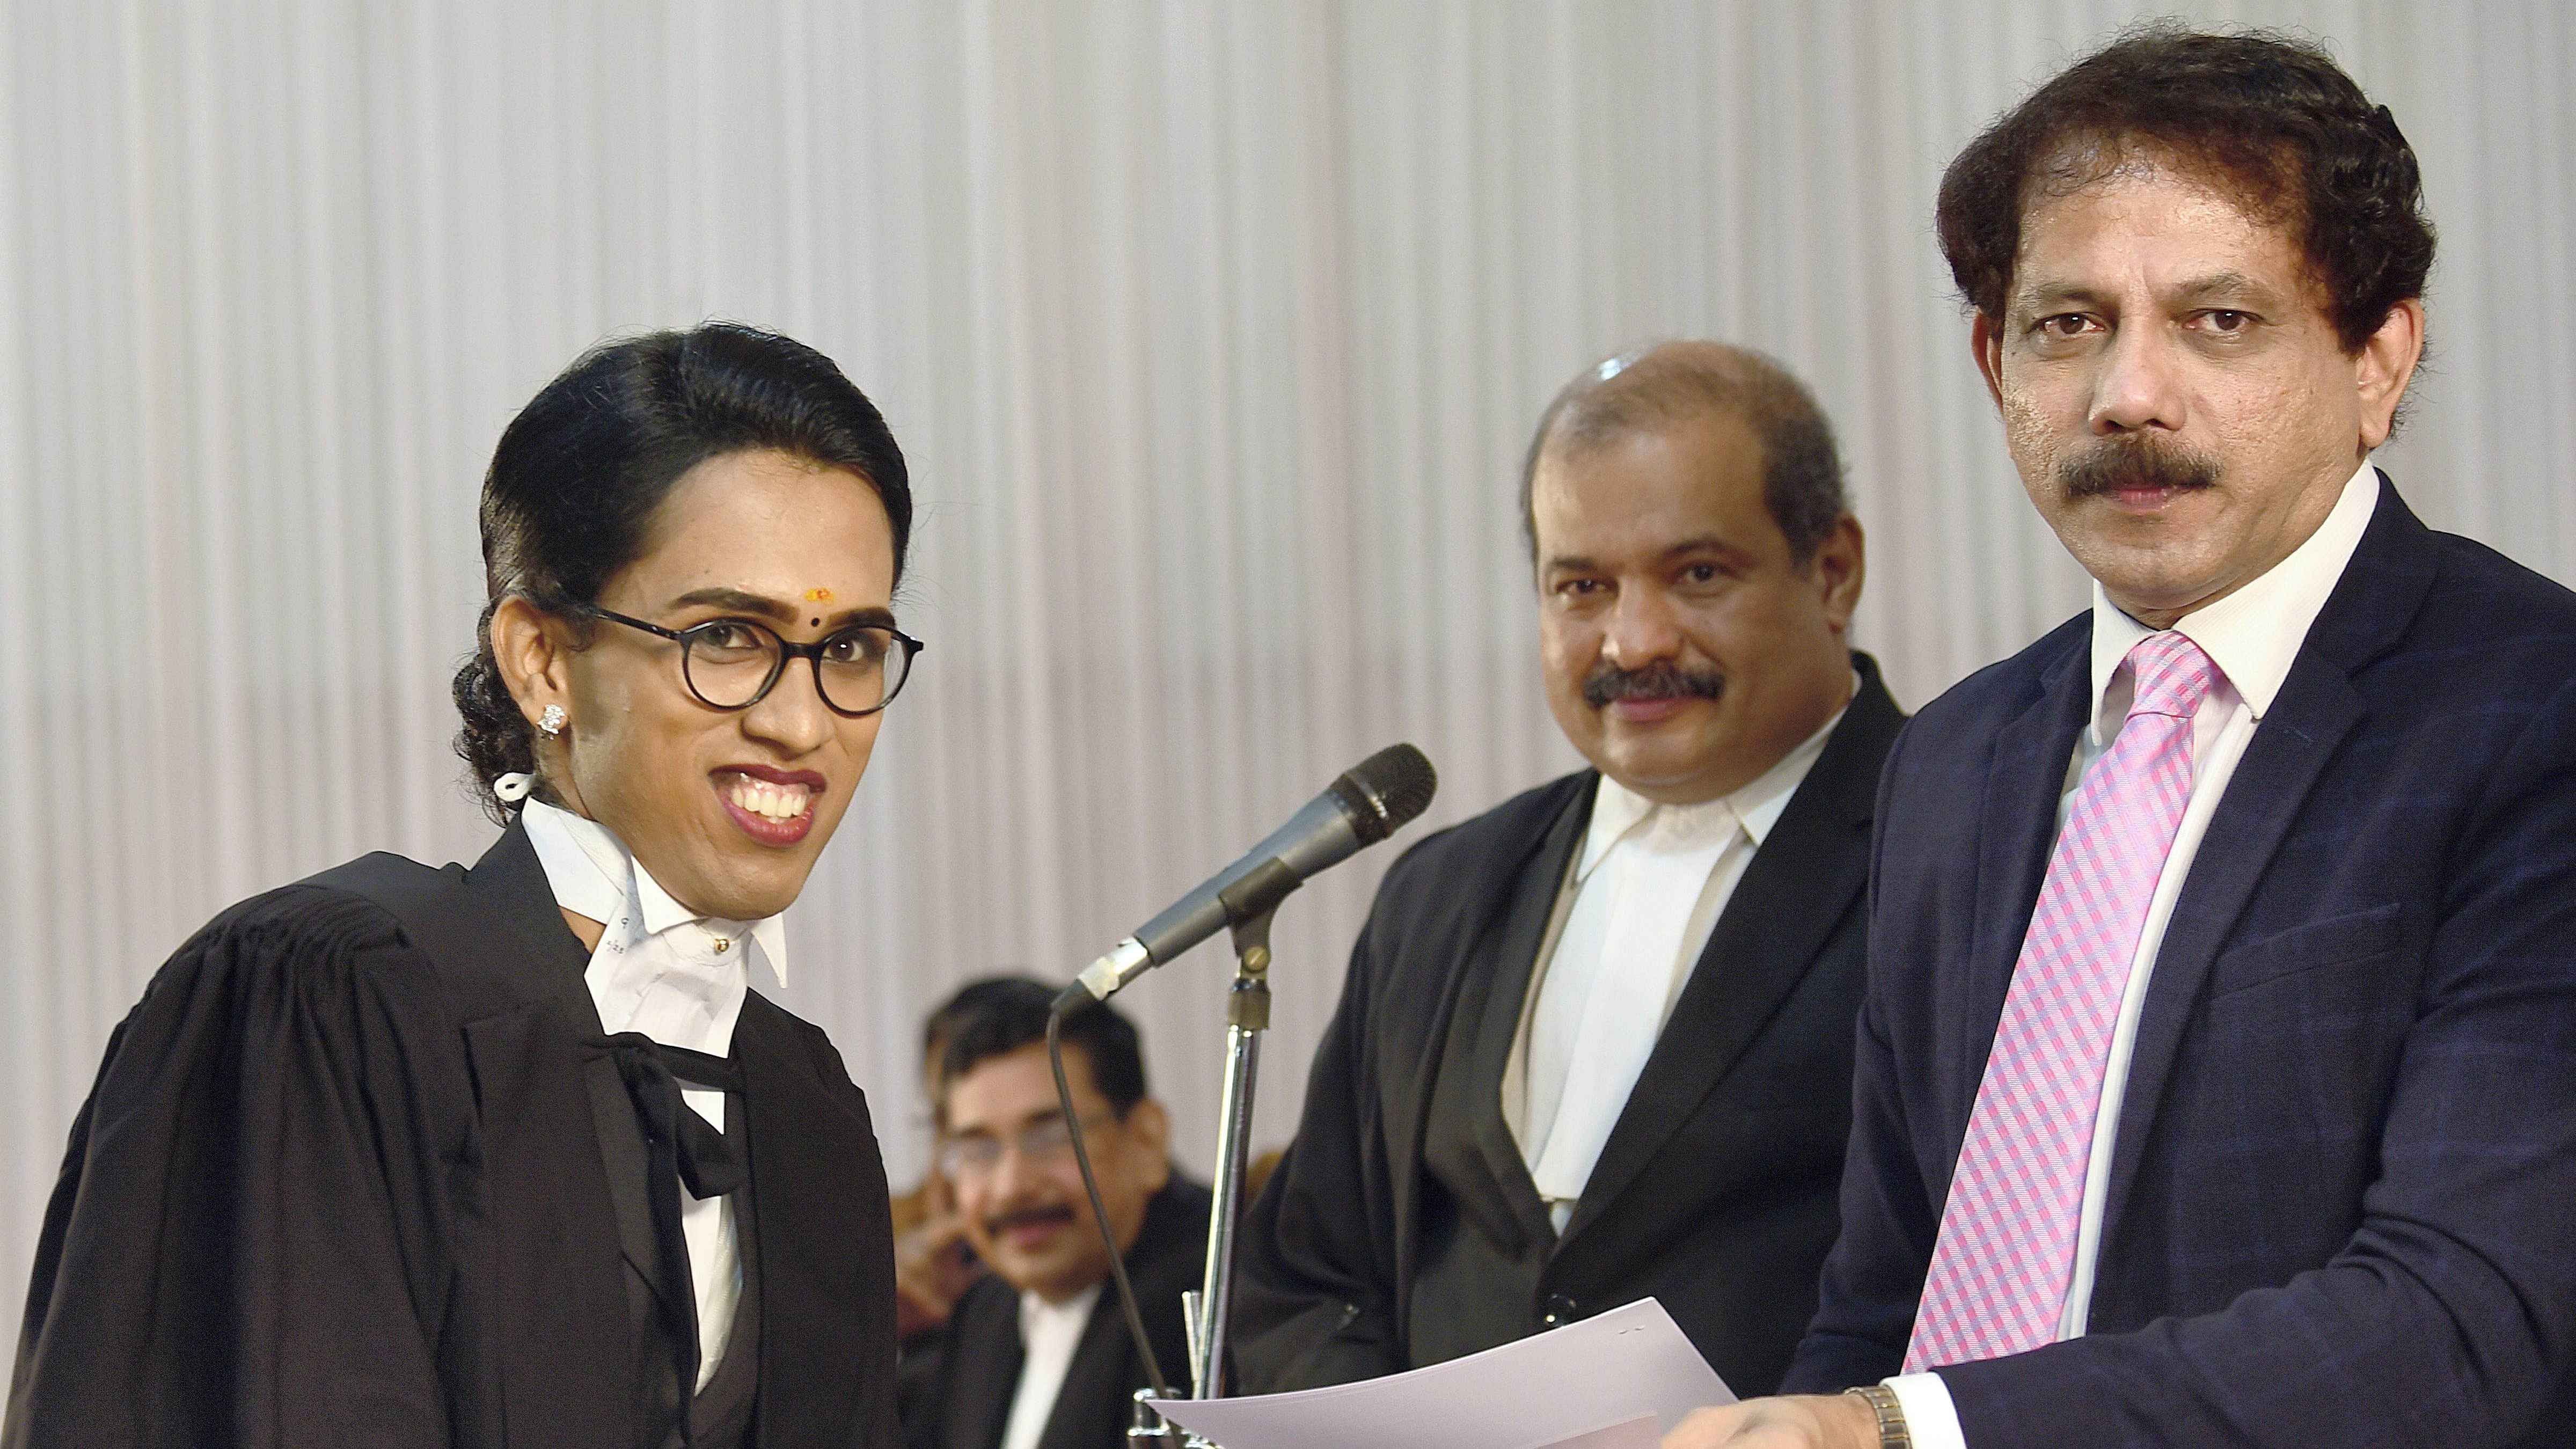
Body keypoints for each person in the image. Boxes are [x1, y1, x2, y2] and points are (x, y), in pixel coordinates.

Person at [1666, 27, 2576, 1449]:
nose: (2127, 396)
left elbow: (2468, 1319)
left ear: (2378, 358)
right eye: (2067, 323)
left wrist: (1913, 1431)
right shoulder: (1955, 759)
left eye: (2221, 321)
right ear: (1992, 358)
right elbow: (1887, 1291)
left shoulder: (2534, 711)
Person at [5, 323, 924, 1448]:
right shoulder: (327, 1005)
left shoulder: (807, 1116)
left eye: (850, 649)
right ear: (542, 657)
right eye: (728, 634)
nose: (799, 721)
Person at [1233, 342, 1905, 1397]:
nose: (1633, 641)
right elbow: (1306, 1276)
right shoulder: (1443, 893)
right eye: (1582, 587)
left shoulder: (1963, 846)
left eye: (1697, 575)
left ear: (1832, 570)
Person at [899, 978, 1209, 1449]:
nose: (1012, 1187)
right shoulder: (985, 1309)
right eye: (978, 1149)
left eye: (1050, 1137)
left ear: (1146, 1140)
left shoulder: (1217, 1305)